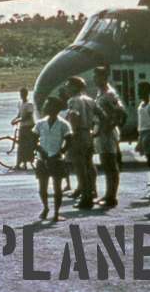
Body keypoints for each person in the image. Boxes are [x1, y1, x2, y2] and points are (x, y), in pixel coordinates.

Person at [33, 96, 73, 221]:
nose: (45, 107)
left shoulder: (63, 124)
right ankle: (45, 207)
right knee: (42, 187)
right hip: (42, 159)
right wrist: (40, 150)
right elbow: (33, 140)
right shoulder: (40, 123)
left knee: (57, 188)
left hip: (56, 159)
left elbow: (69, 141)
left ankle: (56, 212)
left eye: (48, 105)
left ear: (55, 109)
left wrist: (61, 152)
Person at [93, 66, 125, 208]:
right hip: (101, 132)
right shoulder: (101, 93)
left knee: (110, 165)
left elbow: (119, 113)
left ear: (104, 77)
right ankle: (108, 194)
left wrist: (108, 128)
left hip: (107, 133)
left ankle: (112, 197)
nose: (95, 79)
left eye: (97, 76)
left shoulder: (109, 94)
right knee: (106, 164)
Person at [65, 76, 97, 209]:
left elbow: (74, 116)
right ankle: (92, 190)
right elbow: (98, 117)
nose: (66, 88)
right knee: (89, 164)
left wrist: (73, 133)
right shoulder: (90, 100)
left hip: (78, 134)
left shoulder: (73, 100)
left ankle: (85, 197)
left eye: (68, 85)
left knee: (80, 167)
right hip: (88, 133)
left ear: (75, 87)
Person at [11, 87, 36, 170]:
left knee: (27, 145)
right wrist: (15, 119)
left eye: (23, 94)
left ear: (26, 94)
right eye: (21, 94)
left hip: (29, 126)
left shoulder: (29, 104)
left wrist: (18, 120)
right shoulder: (20, 103)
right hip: (22, 127)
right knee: (21, 145)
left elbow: (27, 116)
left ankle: (25, 162)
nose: (22, 95)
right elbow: (19, 114)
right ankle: (19, 164)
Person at [57, 87, 73, 192]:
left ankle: (67, 184)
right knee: (67, 163)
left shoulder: (63, 112)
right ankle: (67, 184)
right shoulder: (67, 110)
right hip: (66, 137)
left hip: (66, 138)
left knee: (66, 162)